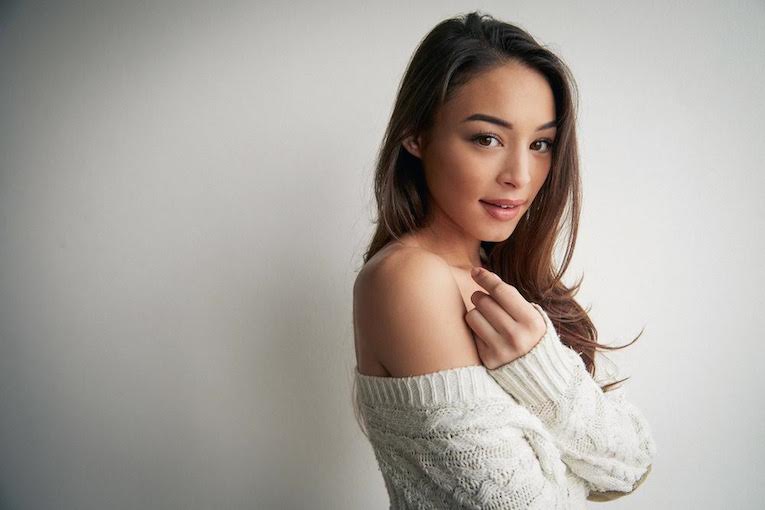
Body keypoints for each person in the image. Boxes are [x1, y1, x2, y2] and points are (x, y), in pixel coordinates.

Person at [350, 10, 656, 509]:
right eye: (487, 138)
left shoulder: (503, 278)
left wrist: (540, 368)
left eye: (540, 144)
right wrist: (572, 451)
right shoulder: (408, 278)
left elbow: (631, 468)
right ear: (416, 135)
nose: (520, 175)